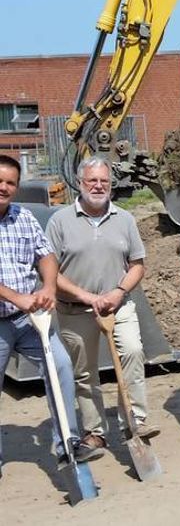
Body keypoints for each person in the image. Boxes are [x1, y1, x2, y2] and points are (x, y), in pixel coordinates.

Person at [46, 157, 159, 459]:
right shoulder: (60, 221)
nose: (98, 186)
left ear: (111, 184)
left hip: (118, 305)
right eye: (91, 181)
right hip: (75, 309)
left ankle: (135, 421)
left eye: (104, 182)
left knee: (133, 352)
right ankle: (95, 432)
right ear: (80, 183)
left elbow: (137, 265)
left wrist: (119, 291)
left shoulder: (124, 218)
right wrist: (86, 296)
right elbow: (50, 272)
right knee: (85, 373)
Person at [0, 154, 99, 478]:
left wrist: (47, 288)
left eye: (10, 183)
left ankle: (67, 443)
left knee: (60, 366)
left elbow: (46, 255)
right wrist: (18, 297)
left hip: (30, 321)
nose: (4, 187)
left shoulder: (23, 217)